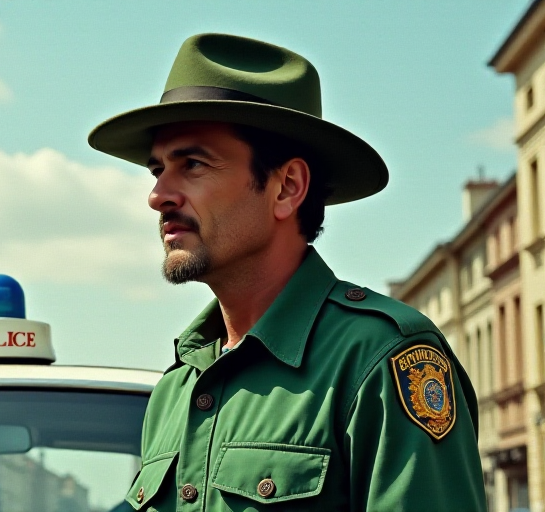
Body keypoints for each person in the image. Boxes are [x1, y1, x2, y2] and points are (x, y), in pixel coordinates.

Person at [88, 34, 486, 510]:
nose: (159, 195)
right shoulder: (179, 387)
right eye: (157, 171)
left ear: (286, 187)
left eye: (192, 164)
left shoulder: (379, 359)